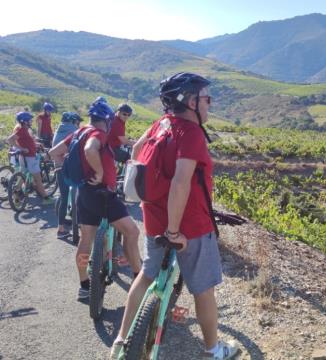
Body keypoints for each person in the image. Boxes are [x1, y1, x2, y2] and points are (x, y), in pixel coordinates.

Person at [110, 73, 238, 359]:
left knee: (146, 275)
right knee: (203, 289)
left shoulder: (160, 124)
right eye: (206, 98)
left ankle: (120, 342)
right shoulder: (191, 133)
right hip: (188, 225)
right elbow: (181, 182)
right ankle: (213, 350)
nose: (209, 104)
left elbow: (136, 150)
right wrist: (173, 231)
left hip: (153, 218)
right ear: (191, 101)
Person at [49, 100, 142, 300]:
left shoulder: (79, 132)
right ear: (107, 120)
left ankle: (84, 286)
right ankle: (137, 281)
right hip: (103, 194)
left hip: (84, 193)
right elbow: (90, 150)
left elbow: (53, 153)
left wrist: (68, 170)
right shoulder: (97, 134)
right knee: (132, 231)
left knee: (85, 240)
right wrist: (99, 172)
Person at [7, 112, 54, 205]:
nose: (31, 121)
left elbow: (26, 141)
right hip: (29, 158)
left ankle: (16, 195)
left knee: (23, 175)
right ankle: (45, 198)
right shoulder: (21, 130)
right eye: (29, 120)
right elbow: (10, 139)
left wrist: (35, 144)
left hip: (26, 157)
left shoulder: (24, 129)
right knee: (38, 179)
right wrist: (22, 148)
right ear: (24, 121)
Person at [52, 112, 82, 239]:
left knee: (63, 197)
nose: (79, 124)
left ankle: (62, 223)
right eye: (78, 121)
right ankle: (63, 229)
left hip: (58, 167)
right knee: (76, 196)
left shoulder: (59, 130)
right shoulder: (74, 131)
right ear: (73, 121)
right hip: (69, 168)